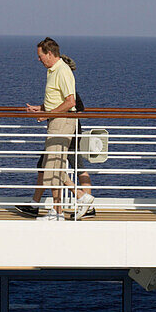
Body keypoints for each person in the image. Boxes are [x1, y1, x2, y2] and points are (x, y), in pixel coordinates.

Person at [15, 54, 96, 219]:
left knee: (58, 166)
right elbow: (58, 103)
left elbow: (73, 105)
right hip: (64, 128)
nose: (40, 60)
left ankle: (80, 199)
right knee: (49, 166)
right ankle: (49, 206)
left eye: (41, 56)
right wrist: (41, 109)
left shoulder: (64, 78)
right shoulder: (59, 78)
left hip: (67, 129)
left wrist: (47, 114)